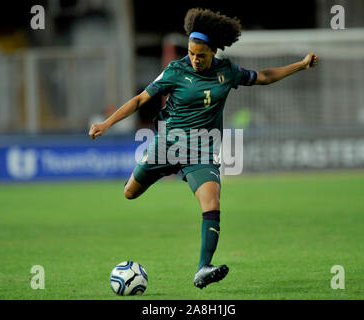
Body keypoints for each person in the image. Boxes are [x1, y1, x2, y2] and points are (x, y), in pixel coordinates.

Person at [89, 8, 318, 289]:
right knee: (129, 193)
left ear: (214, 51)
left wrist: (301, 64)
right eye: (191, 53)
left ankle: (202, 268)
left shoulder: (228, 72)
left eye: (201, 55)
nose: (195, 59)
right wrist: (107, 123)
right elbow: (140, 100)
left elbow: (265, 76)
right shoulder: (176, 70)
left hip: (201, 150)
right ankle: (151, 171)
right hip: (167, 145)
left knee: (212, 202)